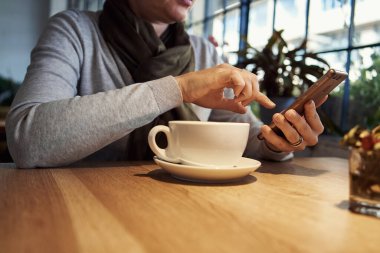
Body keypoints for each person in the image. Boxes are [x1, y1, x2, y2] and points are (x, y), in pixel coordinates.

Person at [5, 0, 325, 168]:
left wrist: (278, 141)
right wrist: (179, 89)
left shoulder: (205, 52)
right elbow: (28, 140)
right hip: (80, 210)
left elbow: (250, 139)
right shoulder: (74, 31)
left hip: (183, 211)